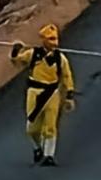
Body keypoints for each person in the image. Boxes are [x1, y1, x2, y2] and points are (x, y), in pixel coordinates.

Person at [10, 23, 75, 166]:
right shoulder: (33, 54)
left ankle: (49, 155)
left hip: (52, 93)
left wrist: (69, 95)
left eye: (55, 39)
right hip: (34, 92)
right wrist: (15, 51)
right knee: (32, 128)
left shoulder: (60, 58)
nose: (55, 43)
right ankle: (37, 148)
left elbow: (66, 76)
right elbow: (17, 61)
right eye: (51, 39)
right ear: (44, 40)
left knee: (50, 126)